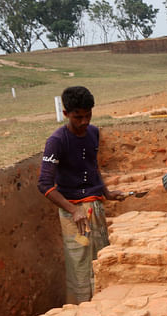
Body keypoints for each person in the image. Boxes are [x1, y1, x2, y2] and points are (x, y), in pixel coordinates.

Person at [38, 86, 125, 304]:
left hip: (94, 207)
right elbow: (44, 185)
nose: (84, 121)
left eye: (88, 115)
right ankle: (81, 311)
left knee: (101, 258)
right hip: (73, 215)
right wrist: (73, 209)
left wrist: (107, 192)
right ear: (66, 114)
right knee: (80, 264)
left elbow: (92, 167)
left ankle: (104, 304)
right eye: (78, 117)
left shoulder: (94, 133)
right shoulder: (57, 141)